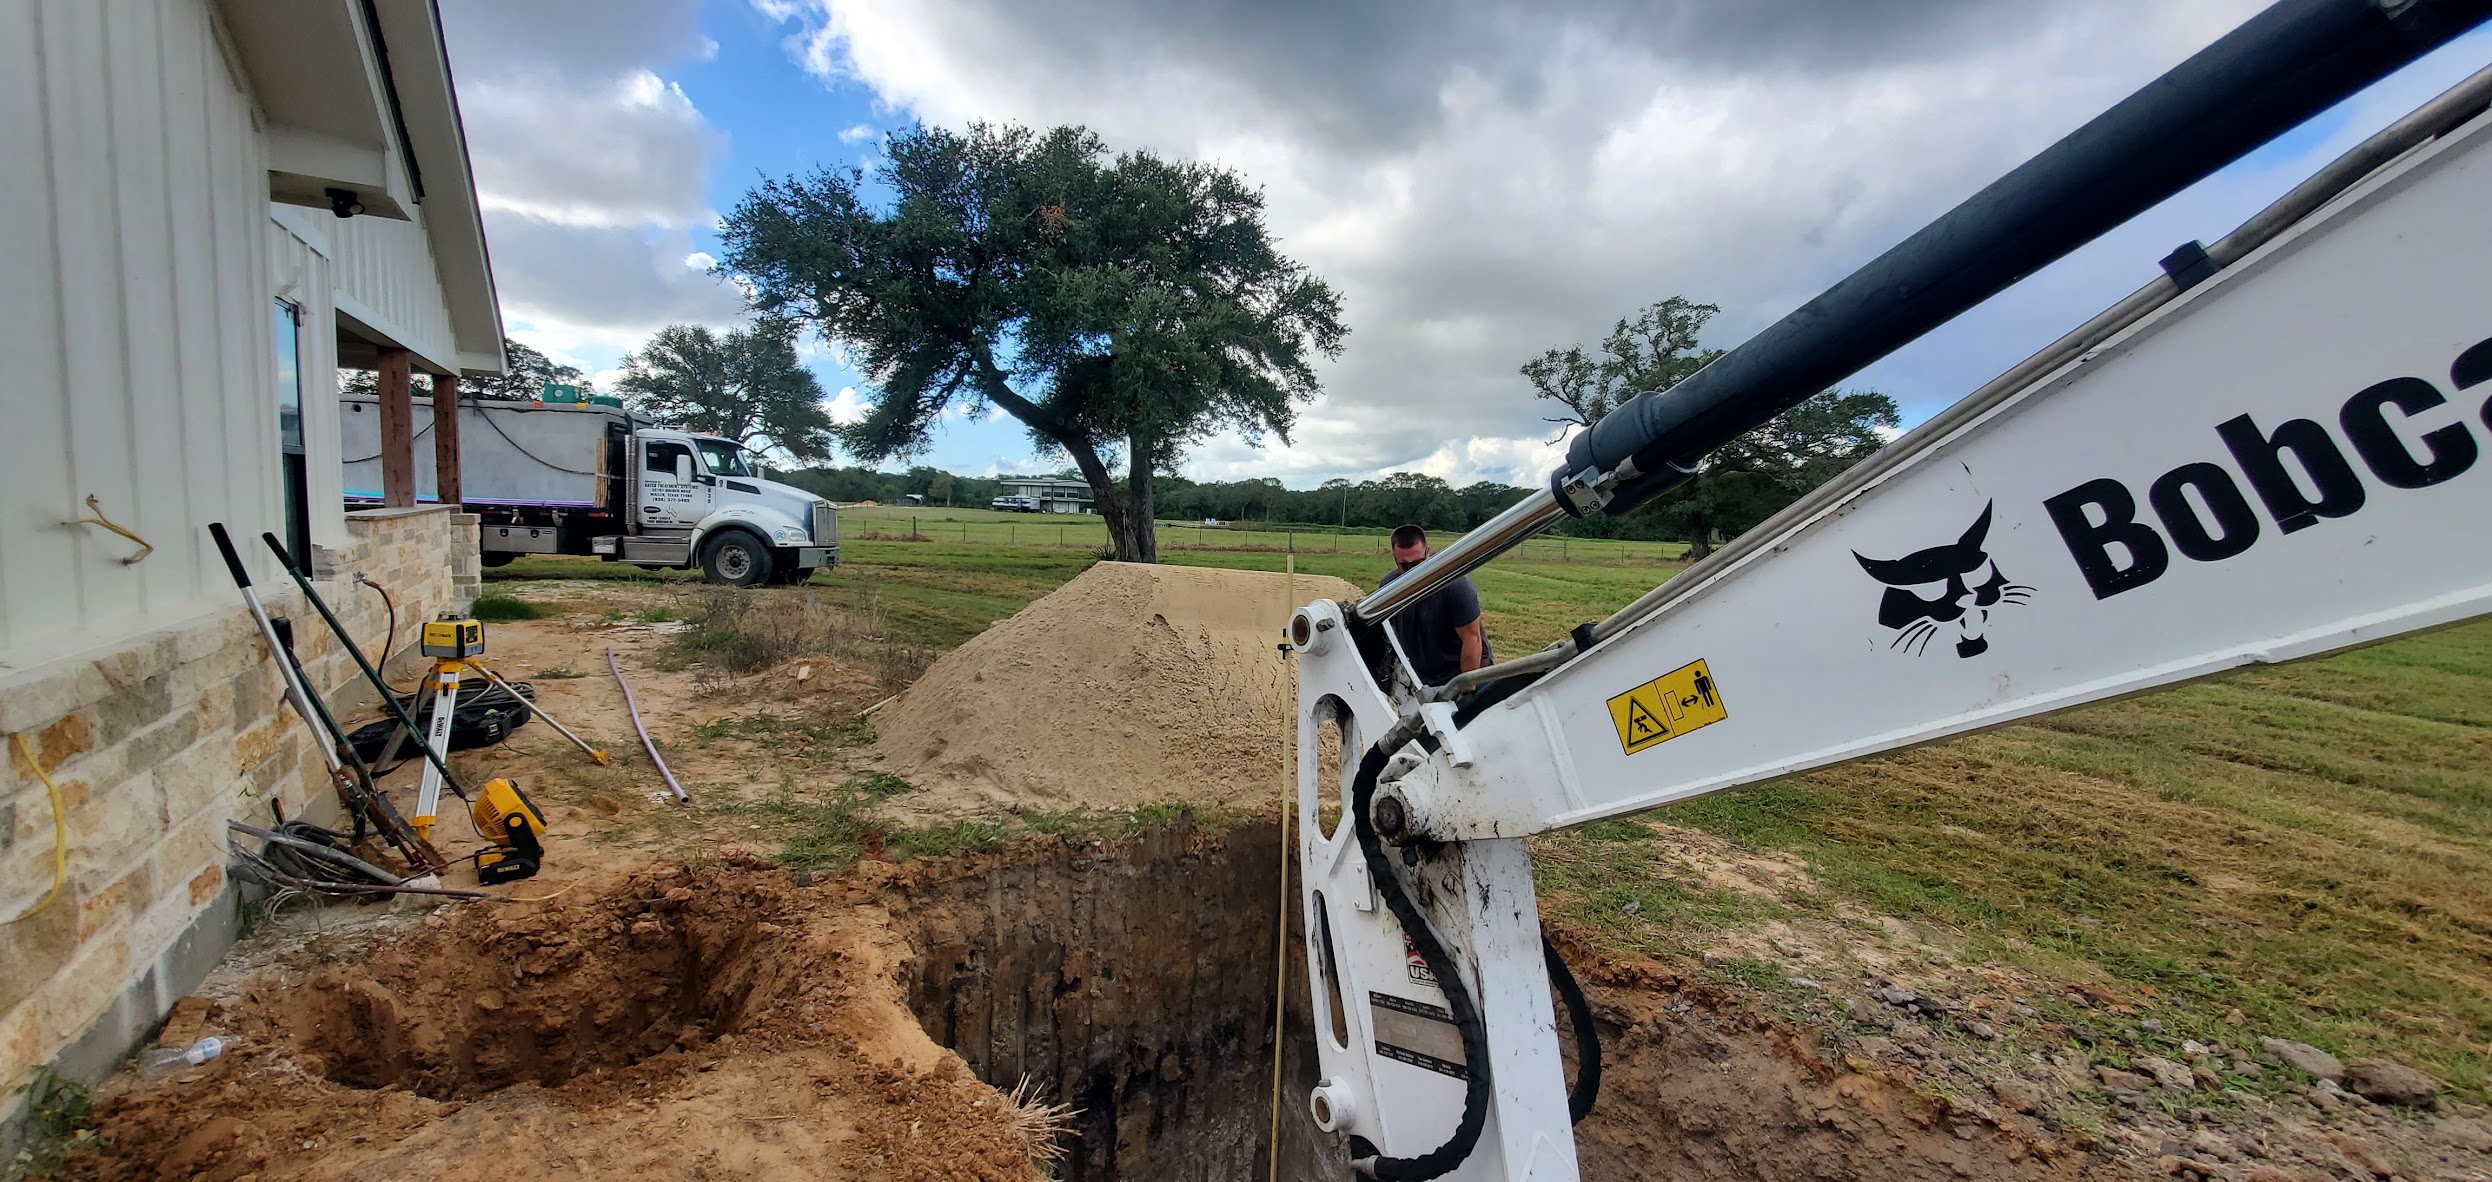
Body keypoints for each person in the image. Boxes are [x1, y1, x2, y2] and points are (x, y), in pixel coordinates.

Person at [1377, 524, 1492, 686]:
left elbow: (1472, 639)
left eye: (1417, 563)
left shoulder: (1456, 585)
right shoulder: (1388, 587)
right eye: (1404, 565)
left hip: (1464, 673)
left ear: (1428, 552)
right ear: (1394, 557)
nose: (1411, 571)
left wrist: (1468, 690)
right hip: (1421, 677)